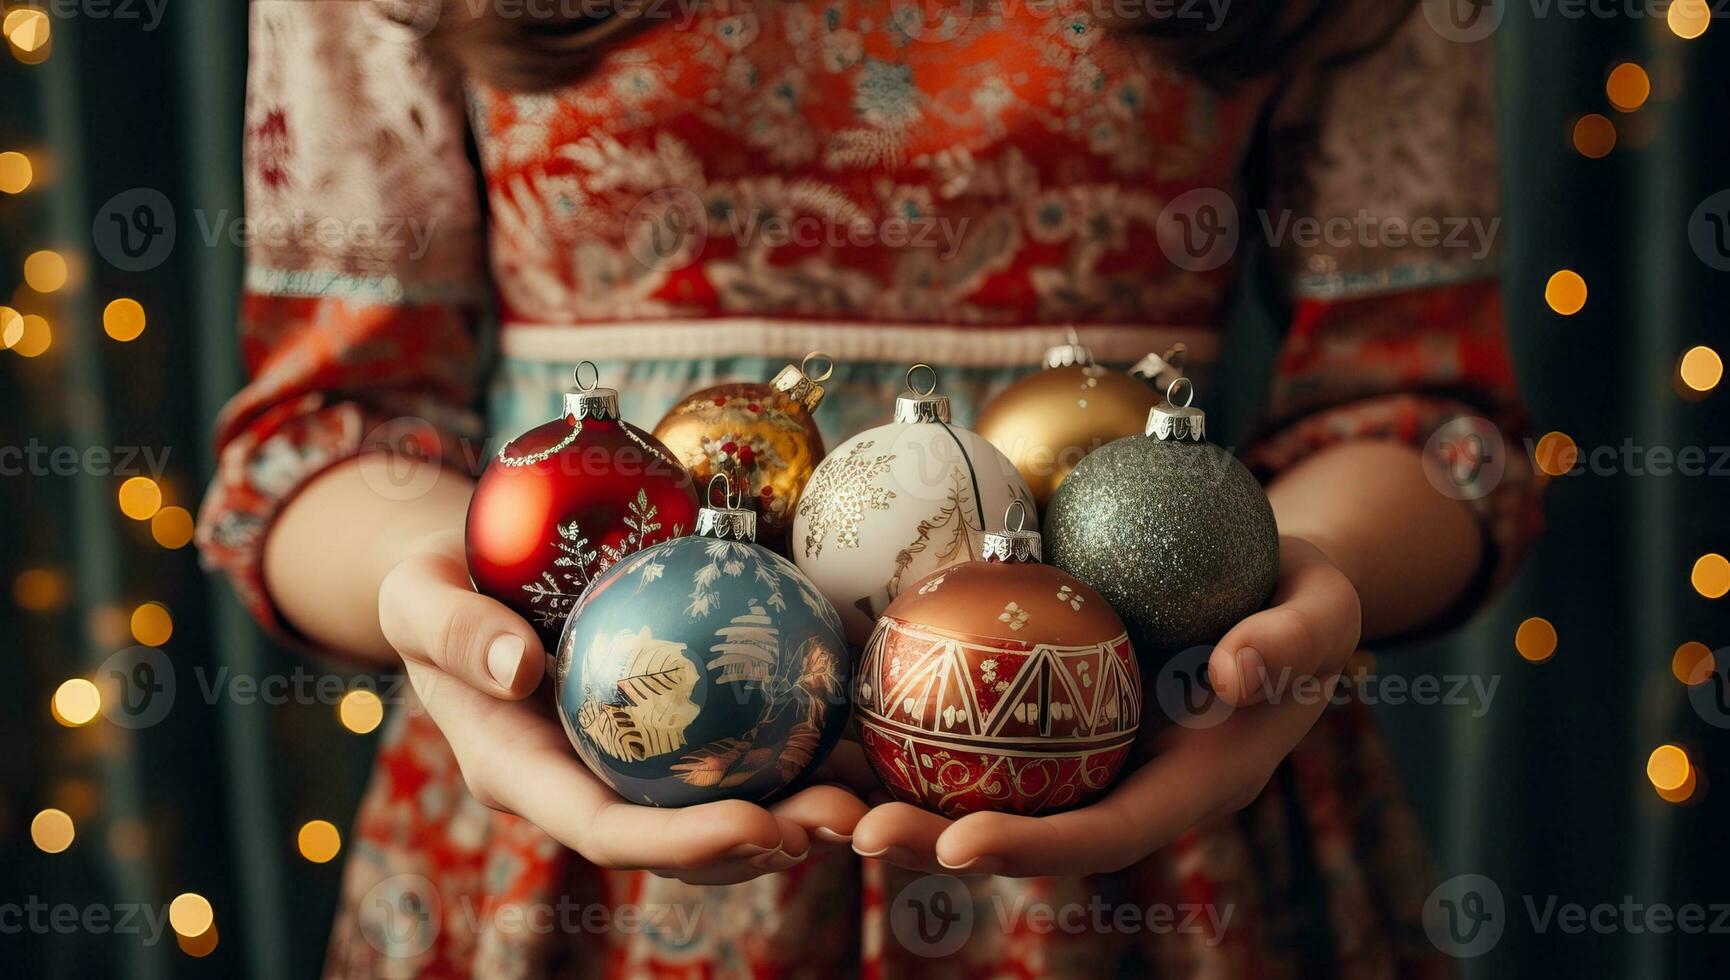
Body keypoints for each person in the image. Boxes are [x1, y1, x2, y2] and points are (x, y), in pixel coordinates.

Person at [198, 0, 1541, 975]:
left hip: (1122, 764)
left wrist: (1277, 592)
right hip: (611, 748)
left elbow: (1426, 424)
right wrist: (463, 611)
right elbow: (323, 433)